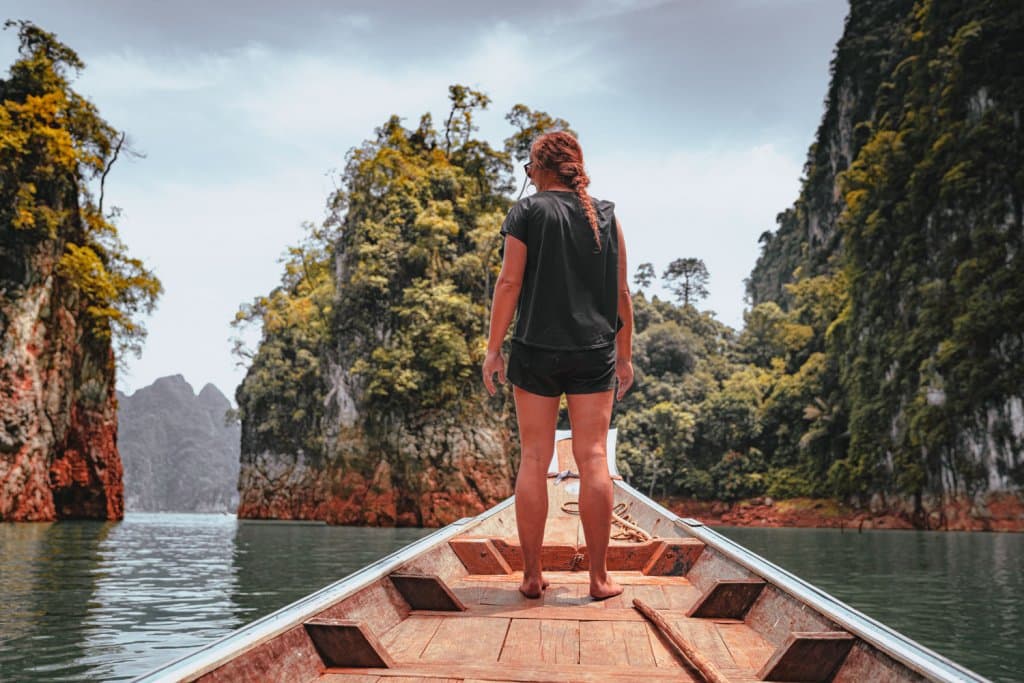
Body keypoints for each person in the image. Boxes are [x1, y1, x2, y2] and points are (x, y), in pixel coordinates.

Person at [482, 130, 634, 601]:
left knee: (534, 458)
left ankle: (532, 576)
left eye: (530, 166)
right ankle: (599, 579)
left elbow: (509, 284)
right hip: (594, 352)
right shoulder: (605, 215)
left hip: (535, 350)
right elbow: (622, 293)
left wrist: (493, 349)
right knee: (594, 458)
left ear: (542, 168)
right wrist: (625, 356)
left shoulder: (526, 211)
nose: (528, 175)